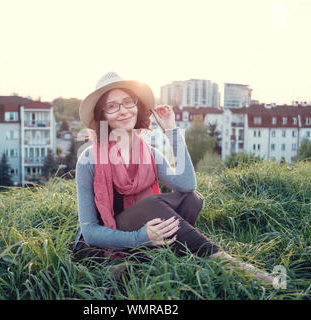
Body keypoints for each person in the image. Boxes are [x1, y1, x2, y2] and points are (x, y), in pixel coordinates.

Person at [71, 71, 275, 285]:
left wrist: (171, 130)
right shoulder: (89, 159)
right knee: (151, 205)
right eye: (112, 106)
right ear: (103, 115)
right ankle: (231, 264)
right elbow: (90, 231)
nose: (123, 111)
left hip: (146, 234)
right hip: (105, 244)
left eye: (127, 102)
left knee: (191, 199)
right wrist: (139, 237)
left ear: (136, 105)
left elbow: (187, 184)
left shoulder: (150, 153)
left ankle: (152, 257)